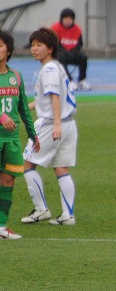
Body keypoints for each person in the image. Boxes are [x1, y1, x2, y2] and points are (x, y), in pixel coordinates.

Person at [21, 28, 78, 226]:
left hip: (52, 125)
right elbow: (48, 99)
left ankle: (41, 209)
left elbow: (55, 96)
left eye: (39, 45)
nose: (34, 49)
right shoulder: (57, 67)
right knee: (61, 168)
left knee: (27, 164)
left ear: (51, 48)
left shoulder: (49, 70)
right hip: (69, 124)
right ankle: (68, 215)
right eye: (32, 45)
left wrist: (55, 125)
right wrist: (25, 108)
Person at [0, 31, 40, 239]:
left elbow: (24, 108)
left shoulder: (15, 77)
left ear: (8, 50)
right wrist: (0, 117)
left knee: (8, 181)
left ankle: (1, 226)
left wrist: (33, 134)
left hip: (12, 140)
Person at [51, 8, 90, 91]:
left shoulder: (77, 29)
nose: (68, 21)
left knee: (83, 58)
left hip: (72, 53)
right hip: (60, 54)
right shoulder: (55, 28)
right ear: (62, 19)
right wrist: (64, 52)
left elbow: (79, 44)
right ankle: (69, 81)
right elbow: (55, 44)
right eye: (66, 18)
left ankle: (82, 80)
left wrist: (73, 52)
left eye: (70, 19)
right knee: (61, 58)